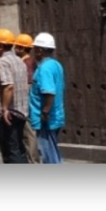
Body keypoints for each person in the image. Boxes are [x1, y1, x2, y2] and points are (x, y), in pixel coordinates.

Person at [0, 28, 30, 163]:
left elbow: (8, 86)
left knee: (10, 151)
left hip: (8, 114)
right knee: (19, 147)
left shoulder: (3, 62)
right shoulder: (20, 61)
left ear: (0, 46)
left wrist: (5, 109)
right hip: (21, 111)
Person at [28, 32, 65, 164]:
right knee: (52, 151)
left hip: (46, 118)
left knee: (49, 155)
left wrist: (45, 111)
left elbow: (49, 91)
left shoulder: (44, 69)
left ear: (40, 50)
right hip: (55, 116)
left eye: (35, 49)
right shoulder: (56, 65)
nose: (33, 52)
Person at [14, 33, 39, 163]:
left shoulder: (26, 63)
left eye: (17, 47)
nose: (15, 49)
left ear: (22, 48)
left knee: (29, 132)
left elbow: (28, 84)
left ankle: (33, 161)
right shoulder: (30, 61)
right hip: (29, 102)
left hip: (26, 103)